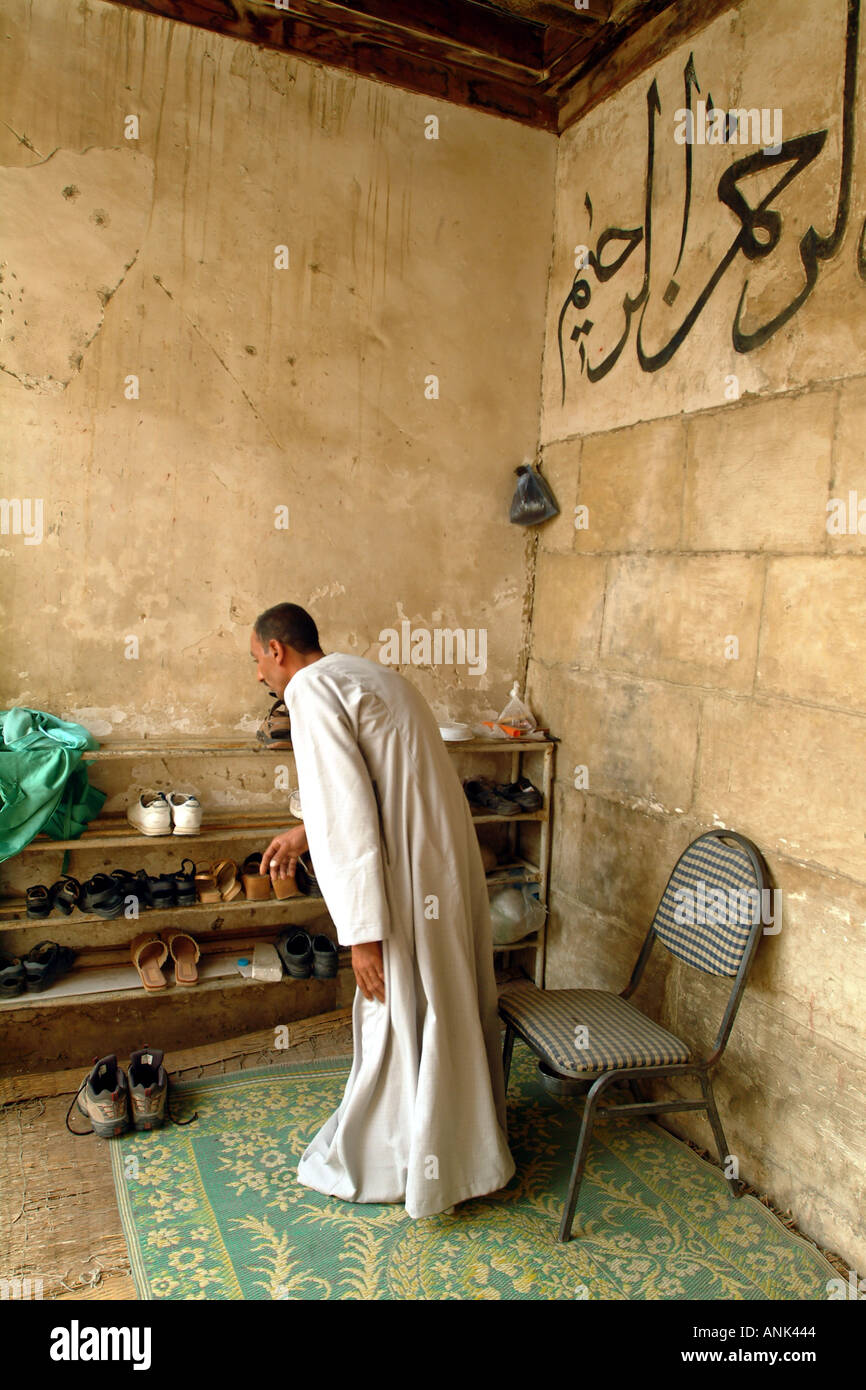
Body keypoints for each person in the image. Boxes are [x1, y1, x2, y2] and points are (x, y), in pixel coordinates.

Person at [251, 602, 515, 1218]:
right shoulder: (371, 675)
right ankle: (465, 1146)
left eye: (257, 662)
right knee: (440, 998)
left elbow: (347, 810)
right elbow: (378, 782)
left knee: (396, 1005)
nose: (260, 676)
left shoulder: (309, 692)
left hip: (403, 875)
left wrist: (362, 935)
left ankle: (407, 1161)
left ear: (276, 650)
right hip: (442, 862)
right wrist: (302, 834)